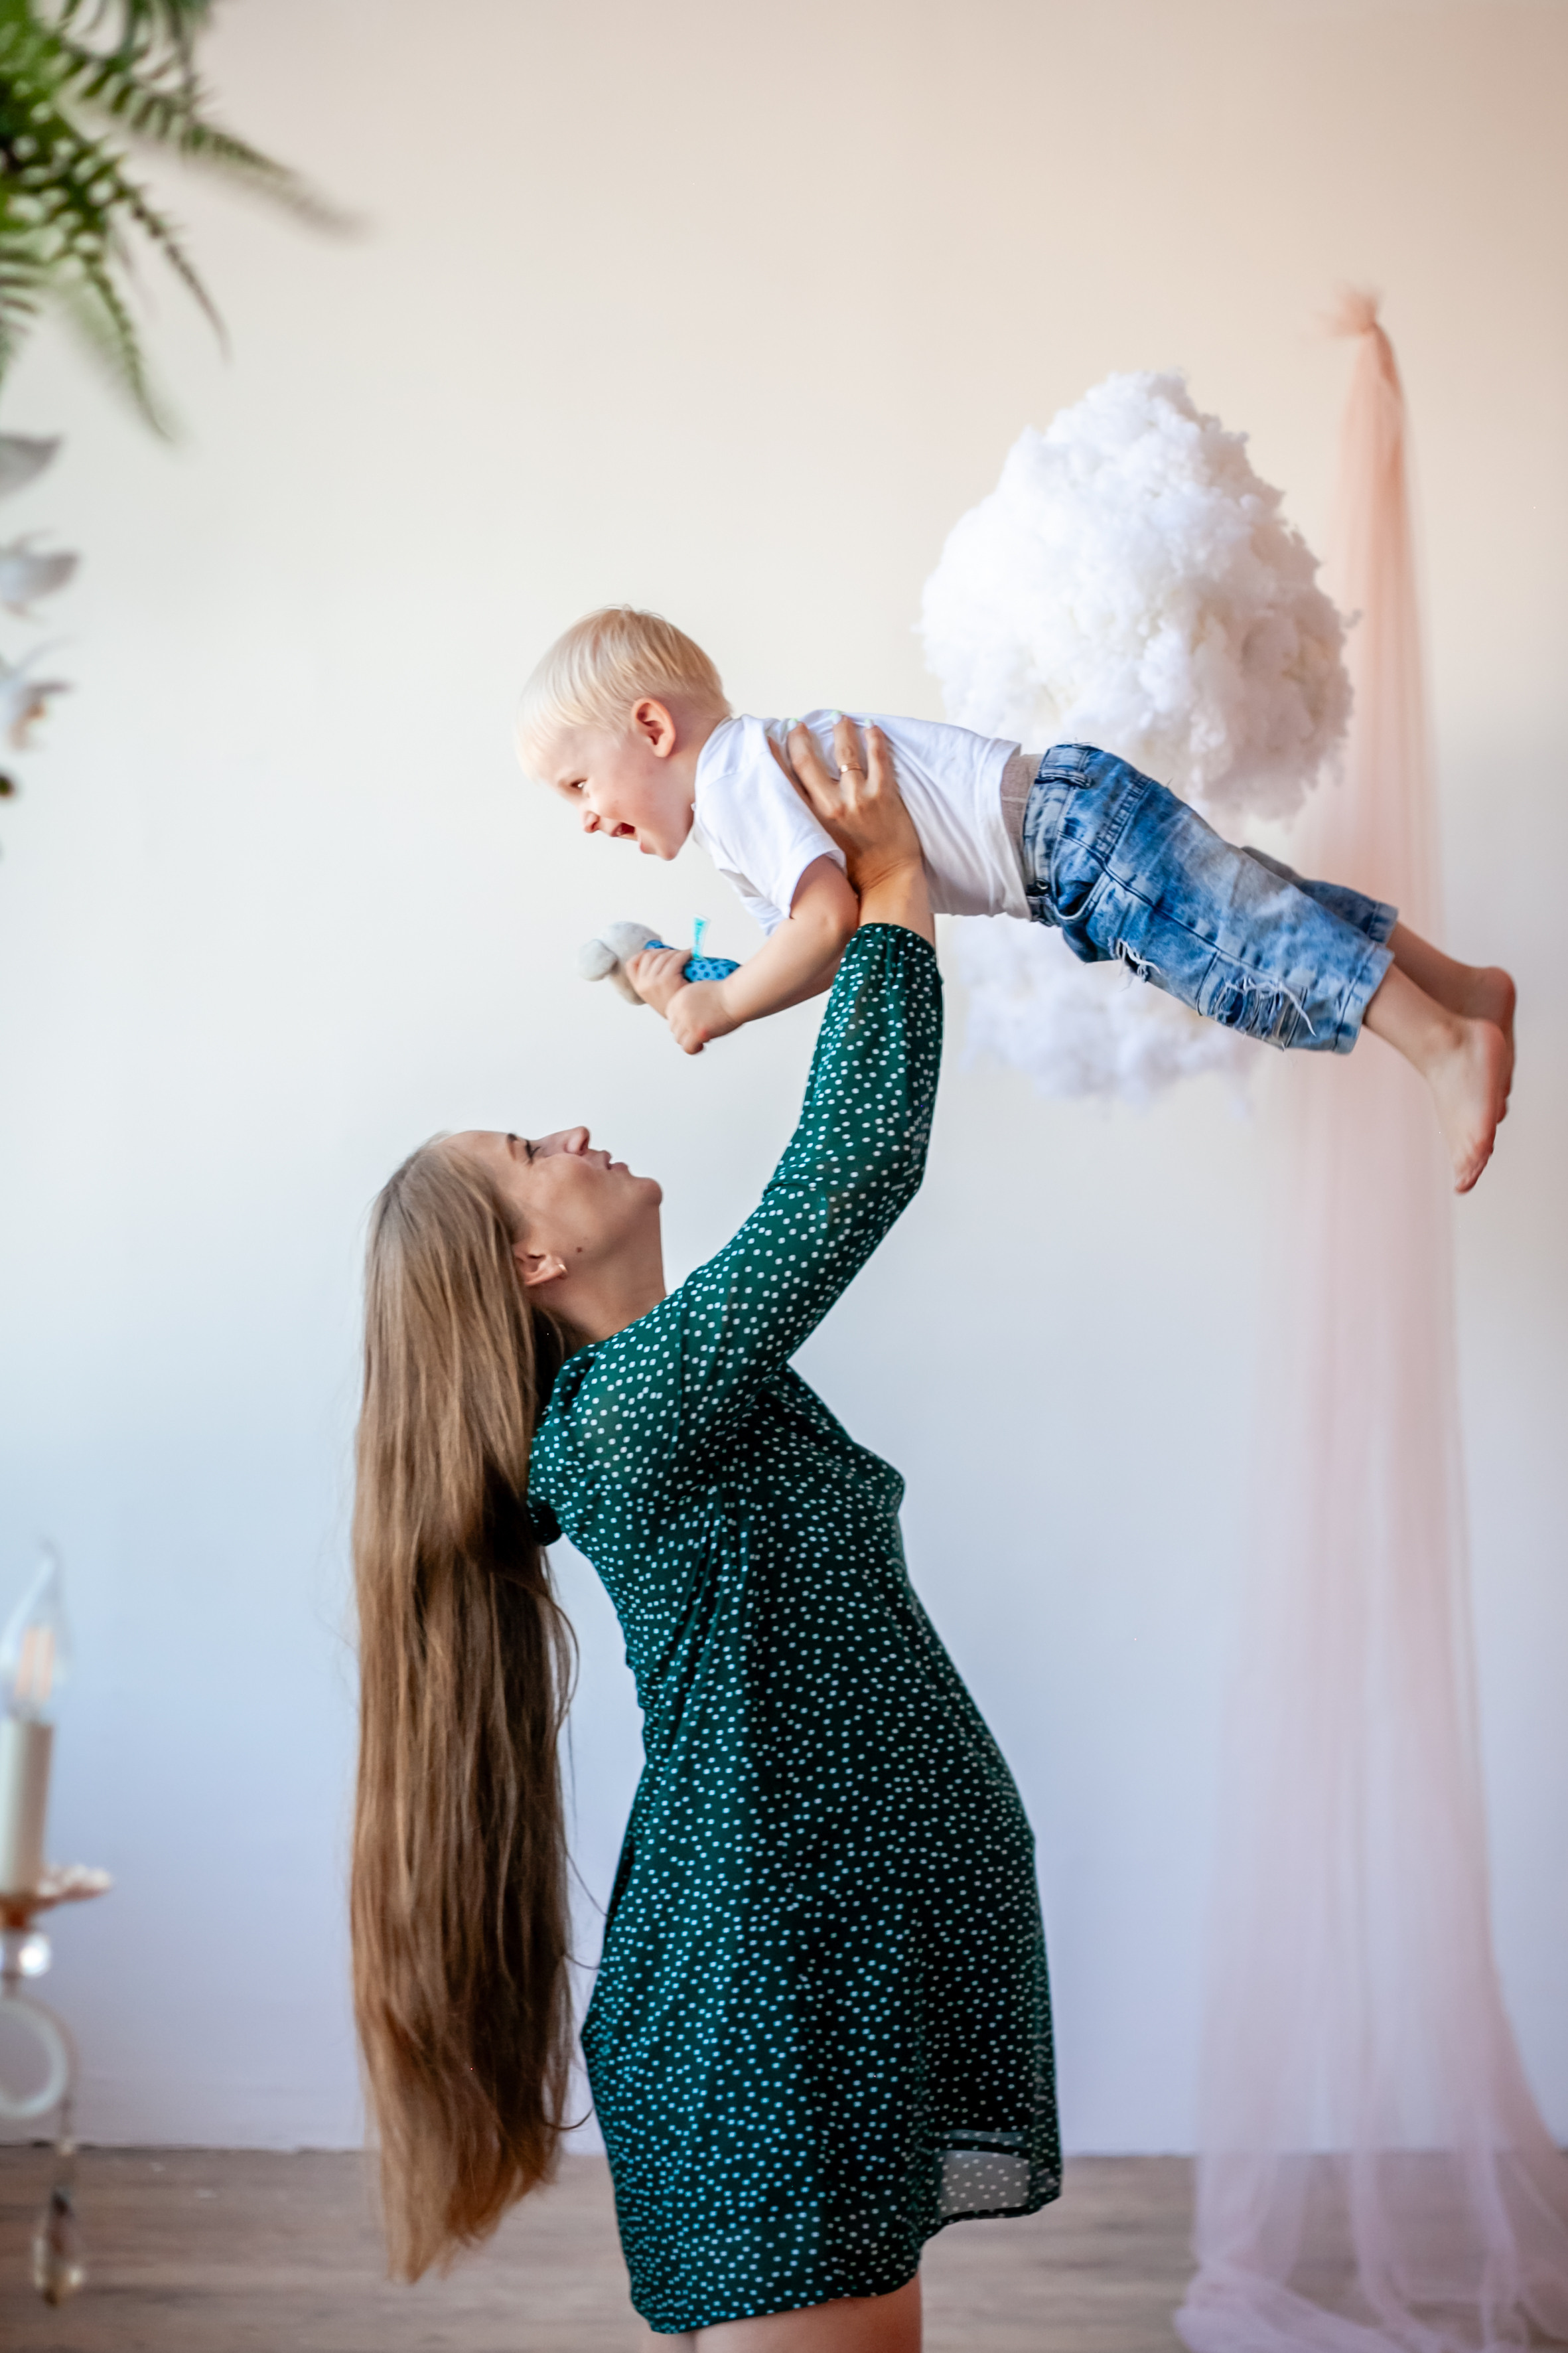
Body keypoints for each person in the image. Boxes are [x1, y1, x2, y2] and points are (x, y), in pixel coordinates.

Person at [350, 720, 1057, 2348]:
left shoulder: (683, 1401)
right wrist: (886, 884)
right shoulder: (625, 1419)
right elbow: (847, 1175)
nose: (577, 1134)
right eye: (534, 1154)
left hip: (815, 1954)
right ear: (526, 1265)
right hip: (771, 1985)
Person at [516, 606, 1516, 1194]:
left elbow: (824, 927)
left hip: (1062, 841)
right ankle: (1461, 990)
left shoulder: (736, 783)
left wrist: (720, 1010)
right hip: (1067, 822)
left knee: (1247, 952)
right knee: (1269, 907)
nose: (585, 820)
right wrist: (702, 981)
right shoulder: (748, 784)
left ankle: (1443, 1042)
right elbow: (819, 937)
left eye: (576, 788)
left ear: (651, 727)